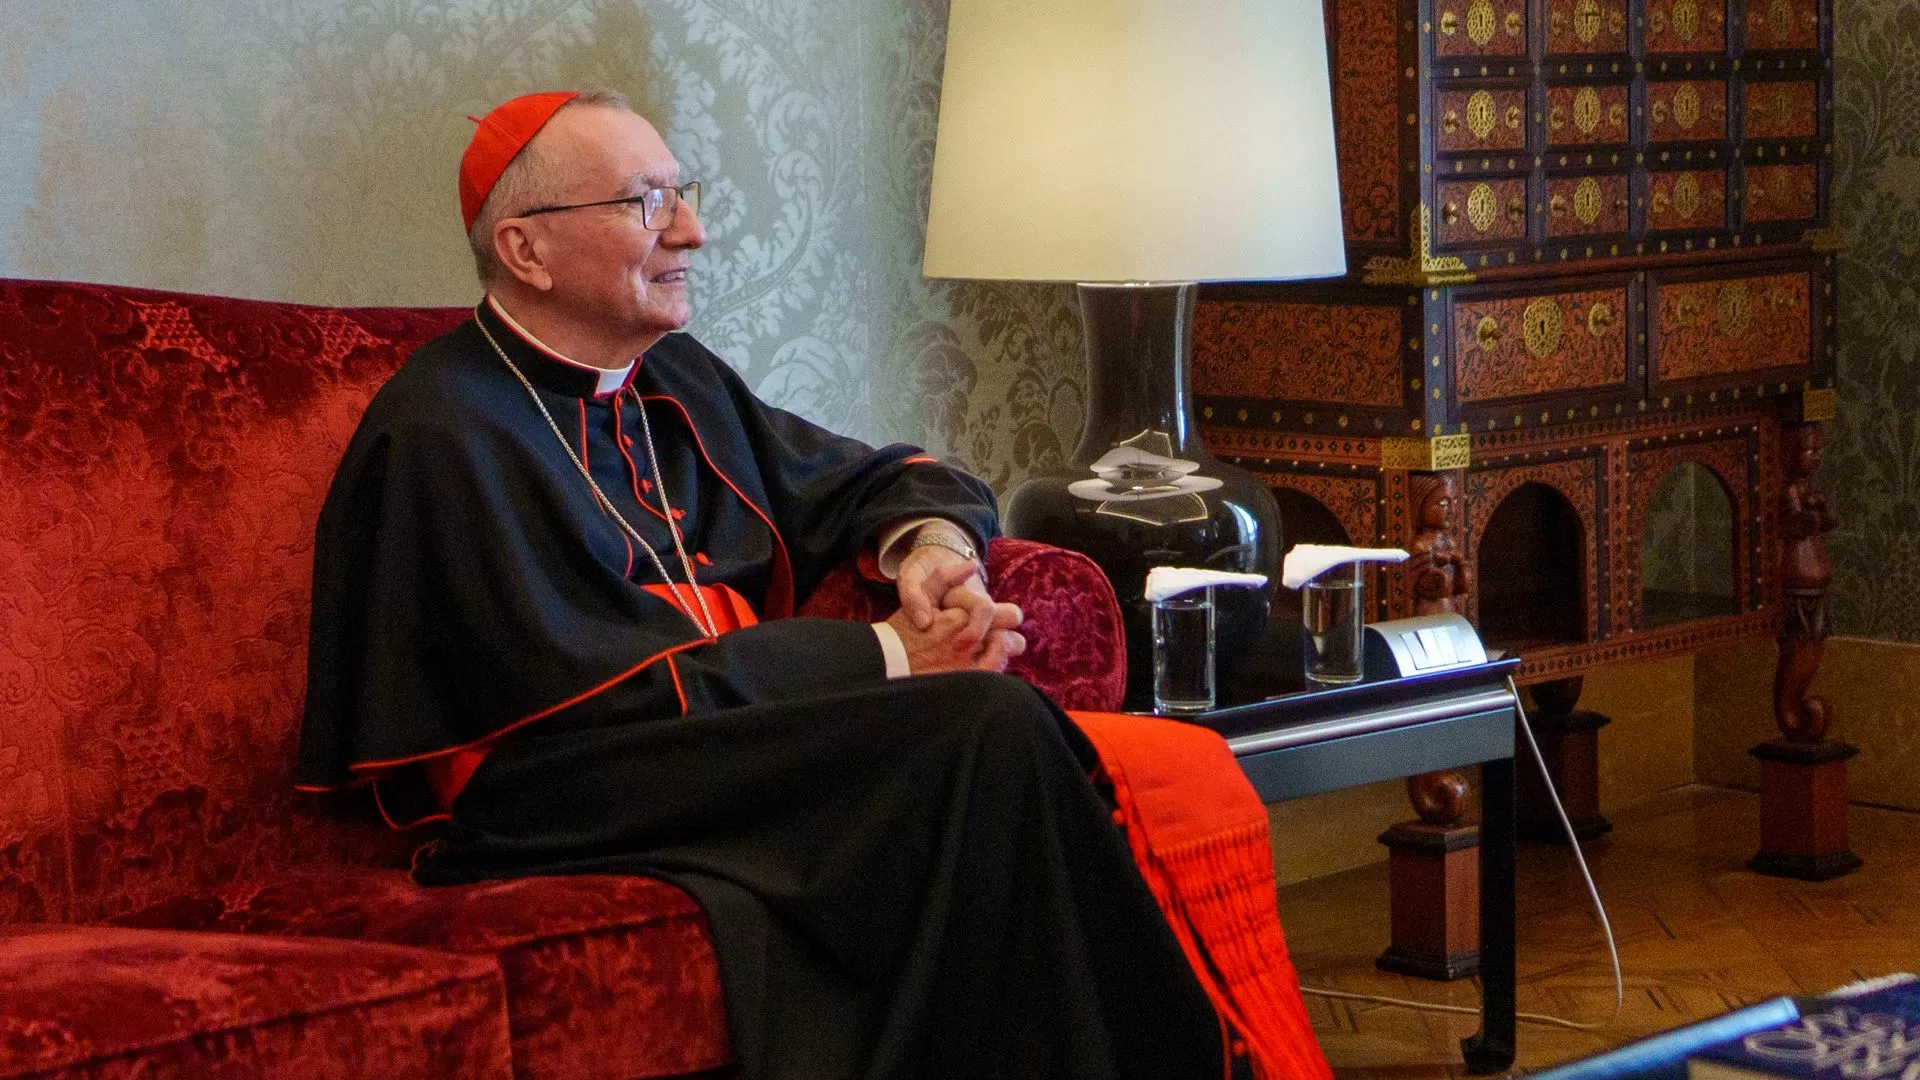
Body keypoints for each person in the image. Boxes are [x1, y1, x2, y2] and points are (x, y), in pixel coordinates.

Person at [295, 90, 1236, 1079]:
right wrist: (887, 654)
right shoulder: (443, 427)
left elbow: (881, 478)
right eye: (646, 203)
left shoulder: (673, 378)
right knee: (981, 729)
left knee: (997, 759)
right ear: (526, 250)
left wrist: (929, 549)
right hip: (555, 785)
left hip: (717, 739)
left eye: (683, 194)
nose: (690, 231)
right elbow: (583, 693)